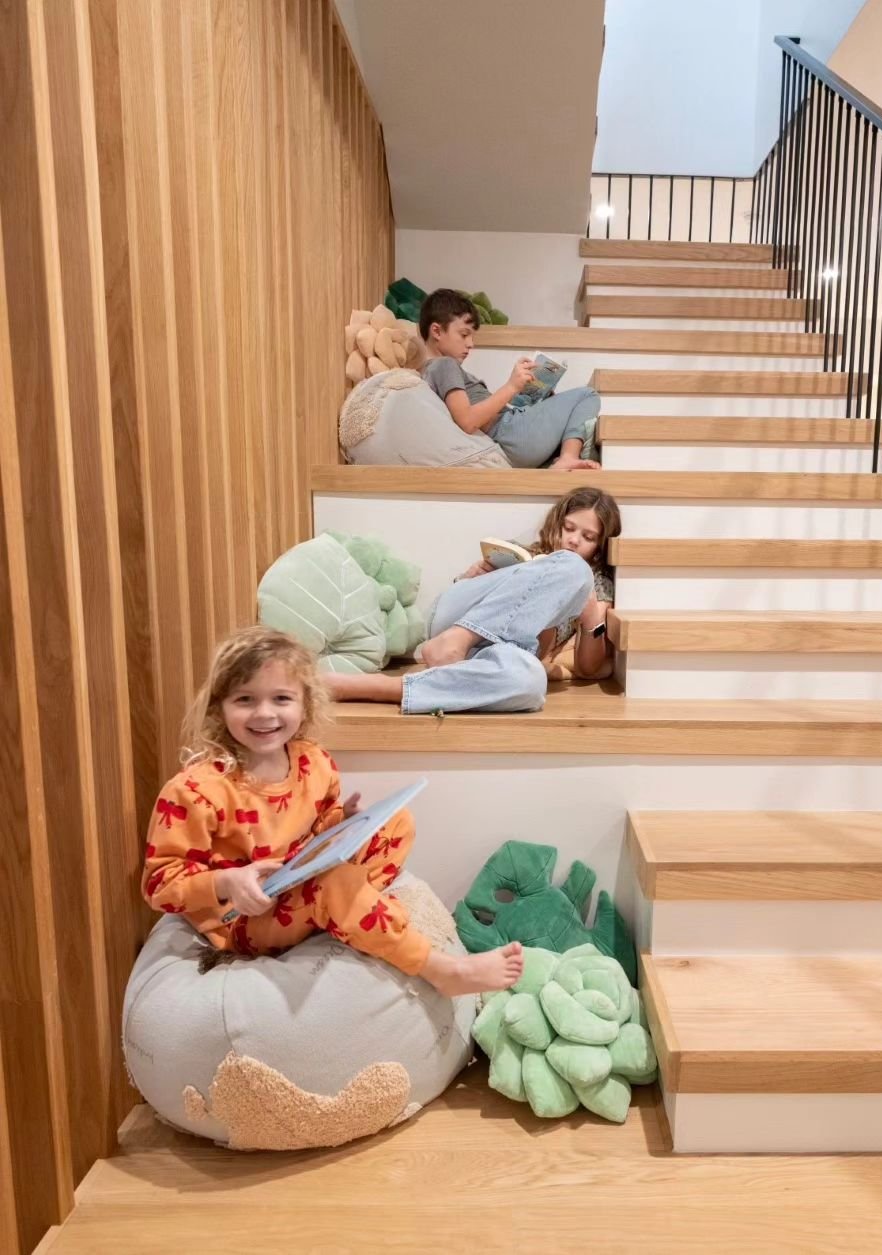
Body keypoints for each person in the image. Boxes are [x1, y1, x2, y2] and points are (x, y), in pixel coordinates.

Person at [141, 626, 524, 996]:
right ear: (219, 707)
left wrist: (344, 821)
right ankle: (443, 970)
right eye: (245, 699)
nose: (264, 714)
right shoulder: (196, 789)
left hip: (298, 883)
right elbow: (159, 886)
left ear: (305, 702)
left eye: (281, 699)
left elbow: (316, 830)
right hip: (246, 921)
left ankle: (349, 910)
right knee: (335, 884)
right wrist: (228, 882)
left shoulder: (312, 761)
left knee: (396, 823)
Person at [325, 488, 623, 711]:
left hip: (493, 655)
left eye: (587, 536)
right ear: (557, 522)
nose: (573, 540)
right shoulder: (524, 551)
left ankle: (383, 688)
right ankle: (459, 638)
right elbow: (461, 596)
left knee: (531, 683)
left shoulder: (595, 582)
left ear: (599, 545)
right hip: (452, 623)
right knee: (569, 565)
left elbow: (588, 669)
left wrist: (591, 619)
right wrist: (471, 578)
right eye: (569, 528)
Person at [419, 288, 601, 471]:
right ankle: (568, 458)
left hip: (508, 432)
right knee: (587, 395)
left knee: (555, 405)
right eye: (464, 334)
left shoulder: (432, 370)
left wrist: (525, 393)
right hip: (509, 434)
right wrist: (511, 386)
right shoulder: (444, 365)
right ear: (436, 331)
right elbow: (467, 421)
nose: (470, 344)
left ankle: (562, 457)